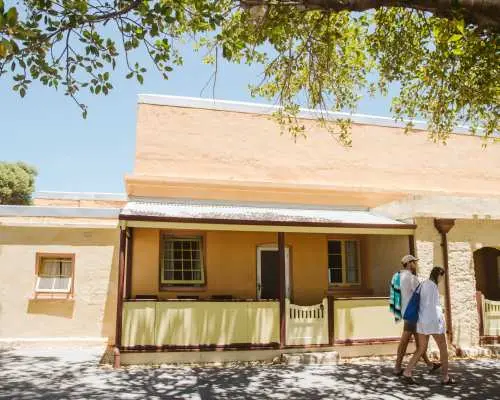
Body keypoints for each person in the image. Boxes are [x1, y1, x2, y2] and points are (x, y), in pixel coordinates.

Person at [403, 266, 454, 385]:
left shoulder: (423, 284)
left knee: (421, 348)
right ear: (439, 275)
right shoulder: (433, 286)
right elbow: (434, 307)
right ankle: (445, 377)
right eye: (442, 277)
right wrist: (442, 319)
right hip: (434, 322)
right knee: (443, 348)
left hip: (421, 321)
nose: (442, 279)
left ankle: (407, 372)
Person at [392, 255, 440, 376]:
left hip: (405, 311)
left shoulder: (398, 276)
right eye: (414, 262)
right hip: (413, 313)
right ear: (409, 263)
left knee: (420, 343)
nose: (415, 264)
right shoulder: (412, 278)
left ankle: (430, 365)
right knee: (406, 340)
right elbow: (422, 294)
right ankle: (398, 368)